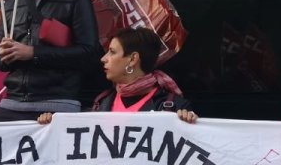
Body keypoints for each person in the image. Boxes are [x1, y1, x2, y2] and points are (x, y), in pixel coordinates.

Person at [37, 27, 198, 123]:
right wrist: (53, 126)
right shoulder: (101, 102)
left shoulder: (175, 108)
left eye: (112, 52)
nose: (103, 58)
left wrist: (188, 125)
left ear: (133, 59)